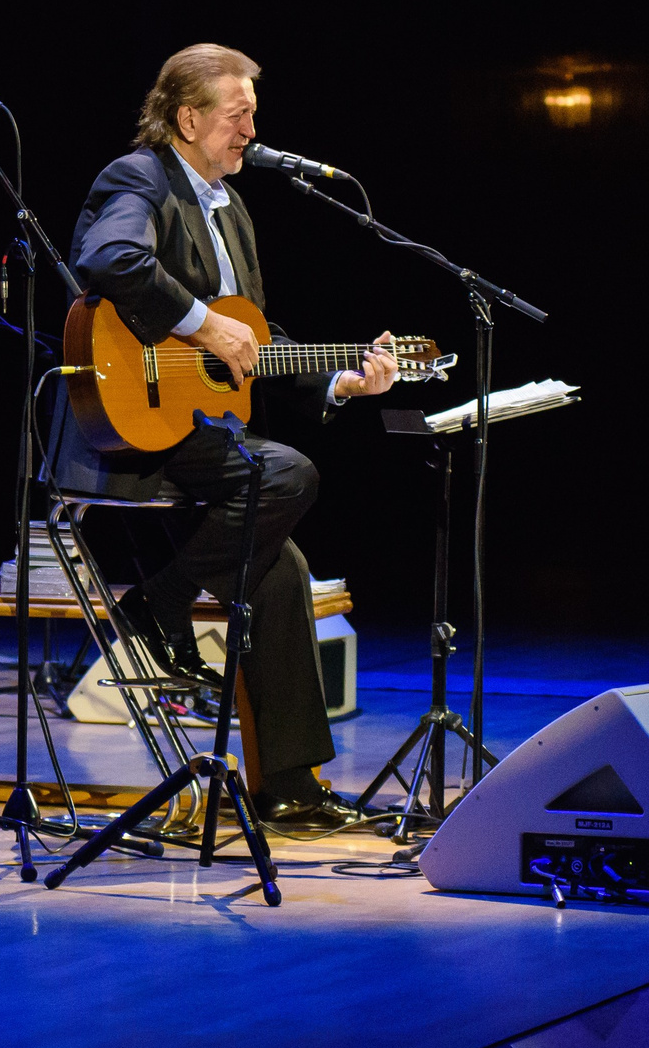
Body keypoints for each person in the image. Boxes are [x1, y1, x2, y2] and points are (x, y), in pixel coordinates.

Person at [43, 43, 399, 833]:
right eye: (238, 114)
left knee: (281, 566)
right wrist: (202, 324)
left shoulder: (230, 208)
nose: (250, 130)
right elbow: (110, 256)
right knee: (290, 473)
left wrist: (340, 379)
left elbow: (252, 340)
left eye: (252, 114)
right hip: (129, 431)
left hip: (200, 435)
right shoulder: (139, 176)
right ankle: (156, 608)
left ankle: (290, 789)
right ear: (187, 117)